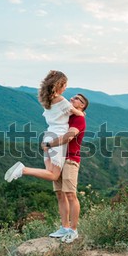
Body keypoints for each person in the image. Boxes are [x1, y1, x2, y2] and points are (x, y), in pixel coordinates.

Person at [4, 70, 84, 182]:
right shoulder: (62, 101)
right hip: (58, 137)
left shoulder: (47, 100)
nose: (65, 88)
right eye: (65, 85)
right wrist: (82, 112)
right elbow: (79, 113)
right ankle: (23, 170)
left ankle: (23, 170)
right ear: (59, 85)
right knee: (54, 176)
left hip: (48, 135)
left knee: (49, 172)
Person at [45, 93, 88, 243]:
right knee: (59, 195)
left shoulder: (79, 119)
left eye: (76, 99)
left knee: (70, 195)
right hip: (58, 158)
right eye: (72, 97)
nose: (72, 99)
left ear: (82, 105)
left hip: (70, 159)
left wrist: (49, 144)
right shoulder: (67, 115)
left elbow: (68, 137)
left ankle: (73, 230)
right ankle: (64, 227)